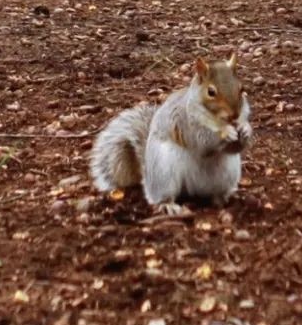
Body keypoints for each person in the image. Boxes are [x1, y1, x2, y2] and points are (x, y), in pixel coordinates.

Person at [90, 55, 252, 213]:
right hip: (182, 164)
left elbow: (234, 149)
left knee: (231, 158)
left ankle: (220, 193)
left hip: (208, 175)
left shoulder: (237, 108)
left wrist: (242, 138)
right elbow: (202, 148)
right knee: (166, 148)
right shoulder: (193, 111)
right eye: (211, 93)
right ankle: (164, 199)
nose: (232, 111)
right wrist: (221, 136)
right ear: (200, 80)